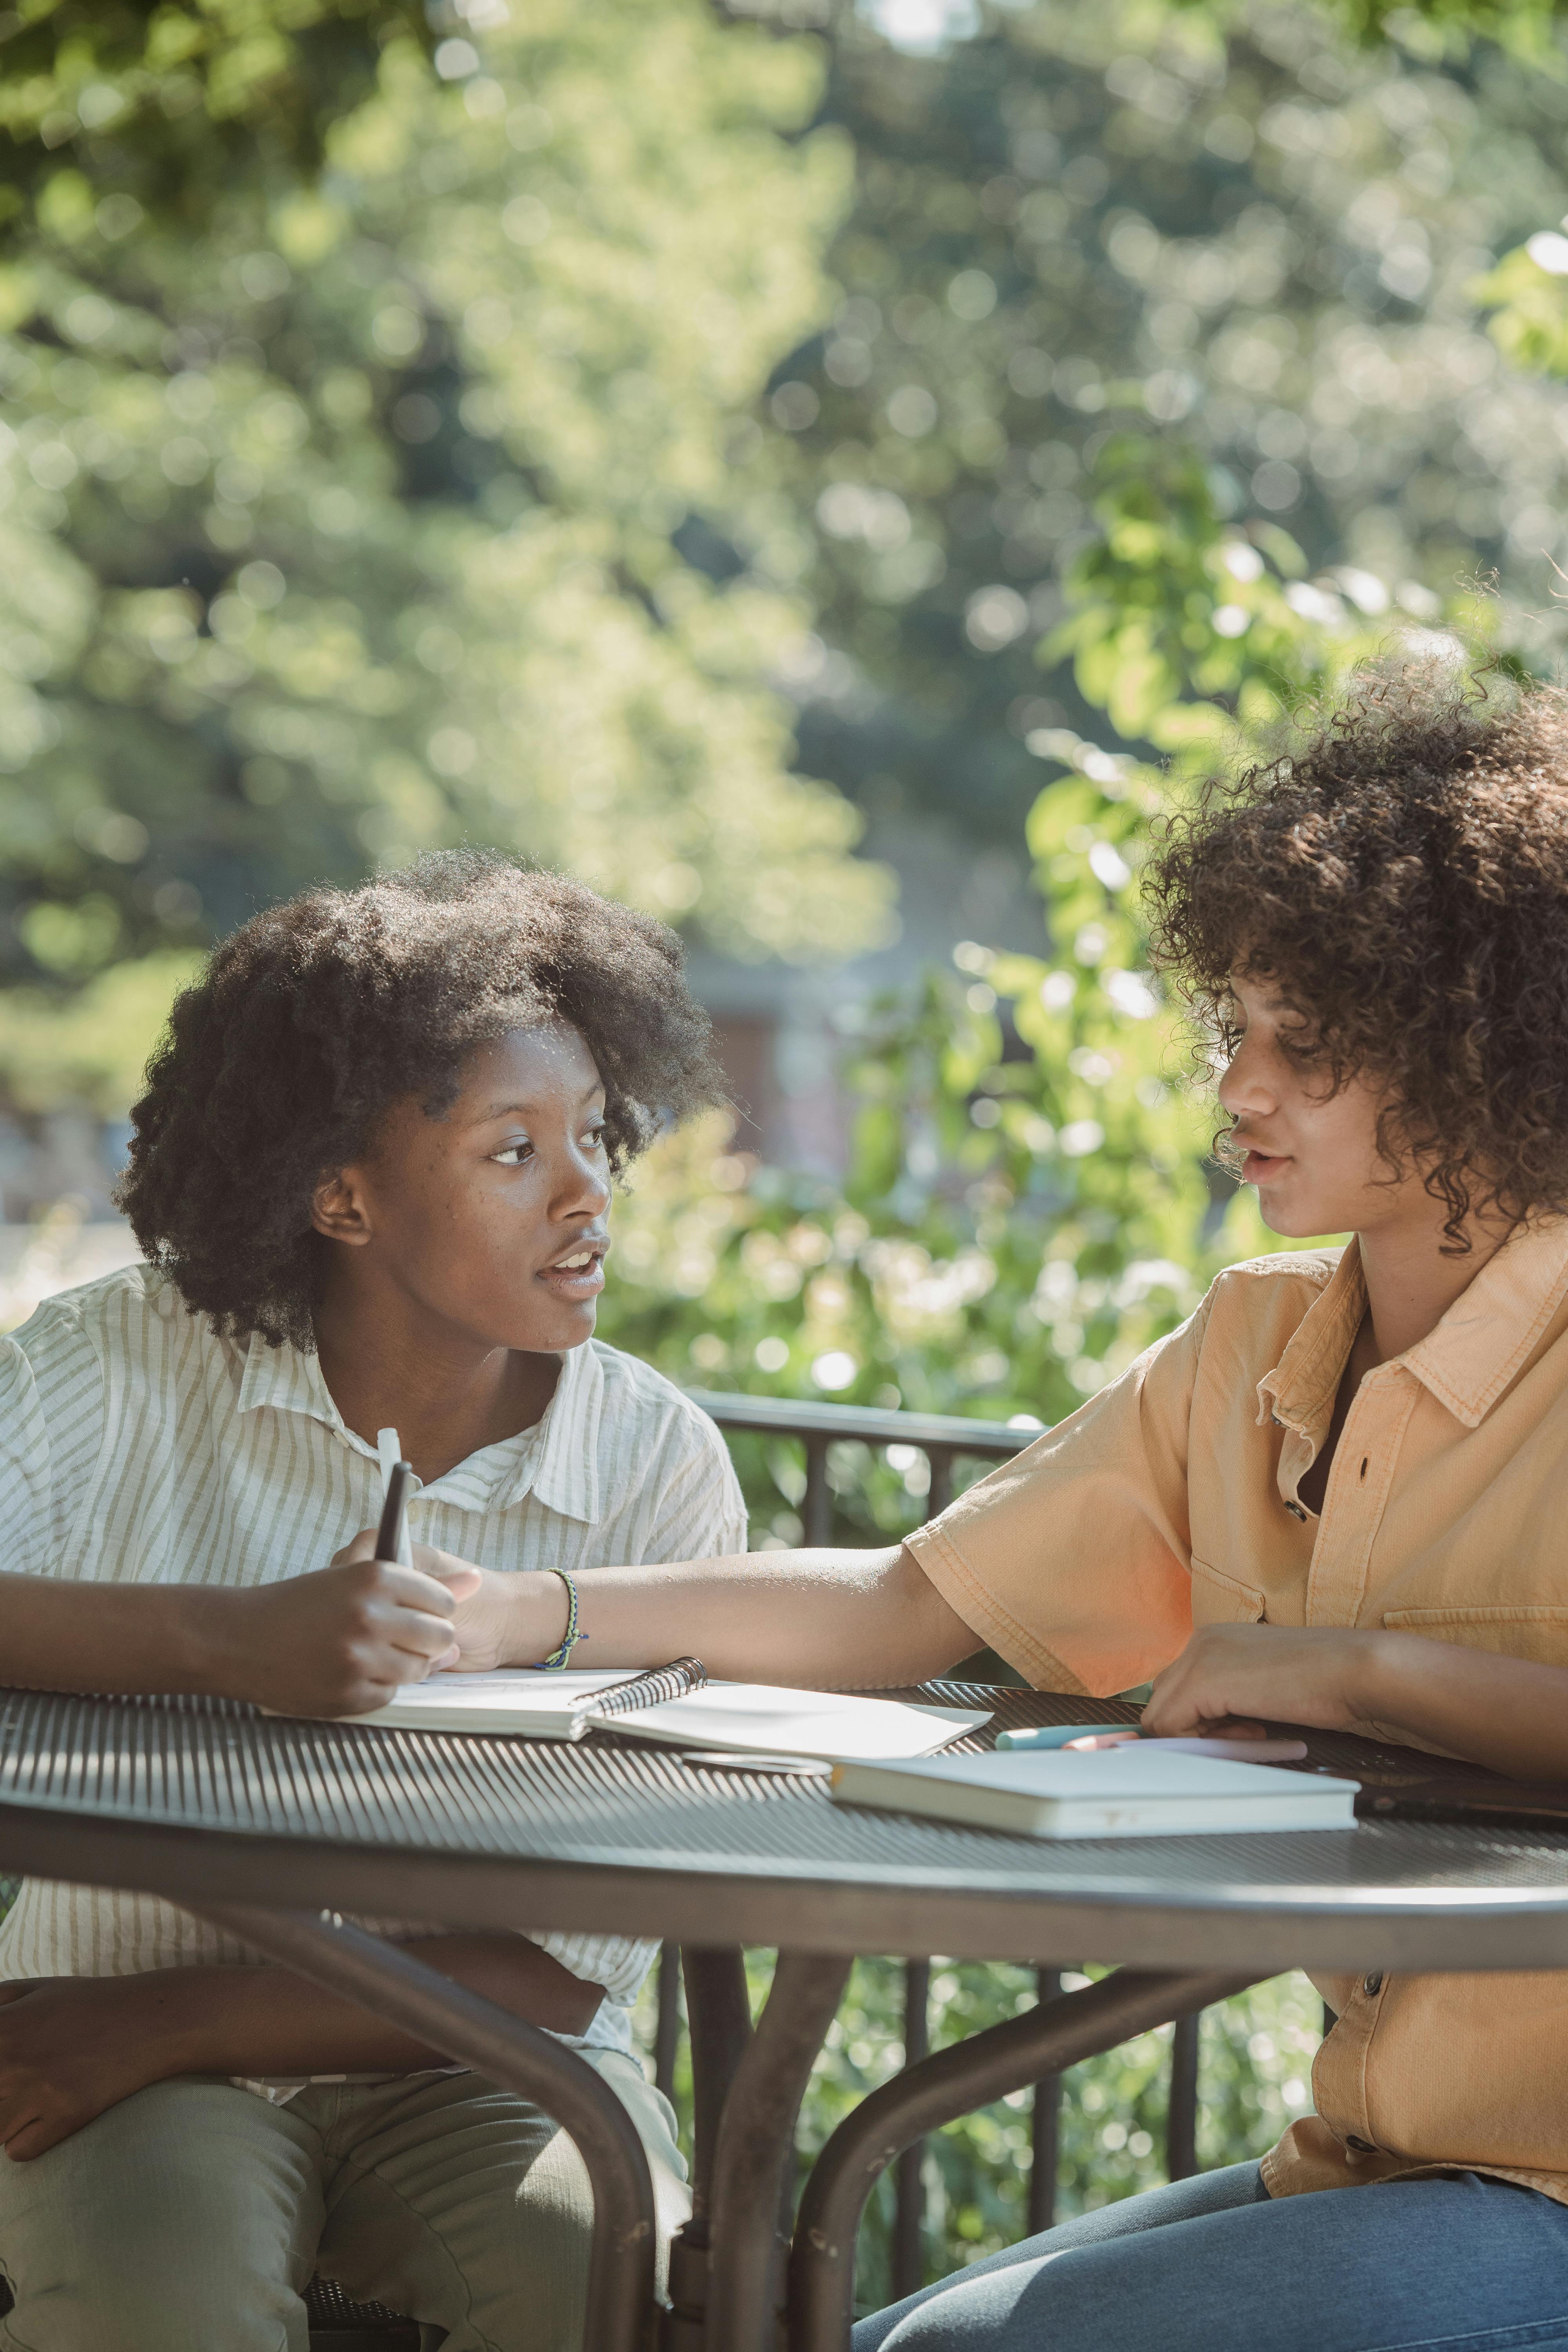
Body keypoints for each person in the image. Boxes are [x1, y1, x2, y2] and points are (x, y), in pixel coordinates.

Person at [420, 677, 1568, 2352]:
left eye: (1303, 1046)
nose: (1237, 1085)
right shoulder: (1255, 1341)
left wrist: (1361, 1669)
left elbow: (1345, 1680)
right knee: (887, 2342)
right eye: (1232, 1026)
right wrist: (539, 1614)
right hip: (1377, 2162)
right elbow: (905, 1609)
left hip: (1538, 2196)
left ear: (1484, 1047)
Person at [0, 853, 744, 2352]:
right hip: (126, 2073)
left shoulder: (657, 1464)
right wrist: (228, 1645)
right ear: (339, 1195)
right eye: (513, 1150)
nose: (591, 1189)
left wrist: (174, 2018)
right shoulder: (113, 1368)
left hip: (475, 2061)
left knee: (591, 2269)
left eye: (596, 1133)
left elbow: (564, 1962)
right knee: (166, 2290)